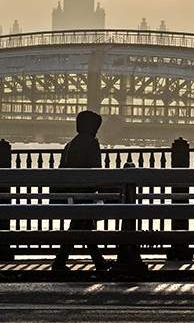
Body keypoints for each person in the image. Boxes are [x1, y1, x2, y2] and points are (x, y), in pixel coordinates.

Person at [51, 110, 110, 272]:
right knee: (80, 226)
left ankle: (98, 261)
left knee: (84, 226)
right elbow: (96, 171)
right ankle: (60, 262)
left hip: (71, 193)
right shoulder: (92, 143)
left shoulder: (70, 144)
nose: (97, 130)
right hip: (85, 193)